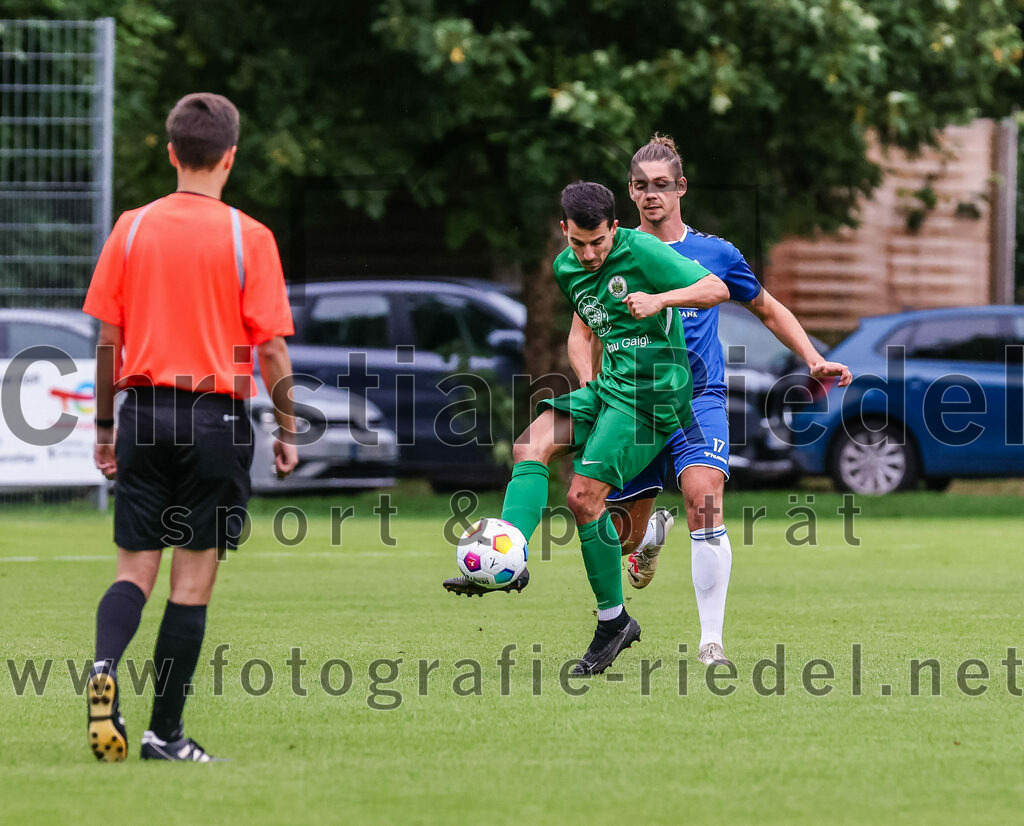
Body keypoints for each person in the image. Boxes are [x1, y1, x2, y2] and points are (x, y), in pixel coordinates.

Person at [569, 135, 852, 668]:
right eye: (641, 186)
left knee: (704, 498)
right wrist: (589, 383)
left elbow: (768, 309)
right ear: (629, 192)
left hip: (697, 399)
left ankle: (711, 642)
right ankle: (648, 537)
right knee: (622, 534)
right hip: (632, 405)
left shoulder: (717, 254)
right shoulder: (610, 249)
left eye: (662, 185)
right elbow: (581, 332)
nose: (652, 194)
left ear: (681, 188)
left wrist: (813, 357)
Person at [83, 92, 298, 762]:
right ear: (229, 157)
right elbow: (269, 350)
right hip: (216, 421)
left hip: (143, 415)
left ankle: (103, 669)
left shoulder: (132, 228)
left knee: (133, 569)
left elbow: (106, 342)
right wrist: (288, 427)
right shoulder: (248, 237)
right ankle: (164, 734)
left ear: (172, 151)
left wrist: (103, 425)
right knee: (192, 581)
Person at [444, 181, 728, 676]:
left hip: (654, 397)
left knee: (583, 498)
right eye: (579, 242)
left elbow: (714, 288)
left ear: (614, 229)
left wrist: (662, 300)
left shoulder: (642, 250)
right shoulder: (564, 268)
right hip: (612, 386)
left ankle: (613, 624)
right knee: (530, 444)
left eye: (599, 242)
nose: (591, 253)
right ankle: (508, 554)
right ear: (564, 232)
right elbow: (589, 329)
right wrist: (589, 379)